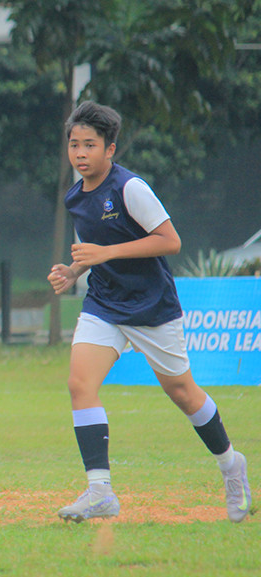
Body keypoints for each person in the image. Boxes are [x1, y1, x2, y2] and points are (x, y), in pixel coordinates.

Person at [48, 100, 251, 523]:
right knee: (80, 384)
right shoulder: (75, 196)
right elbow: (92, 249)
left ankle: (231, 465)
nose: (80, 153)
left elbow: (170, 241)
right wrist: (73, 270)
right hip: (104, 303)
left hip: (151, 305)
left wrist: (106, 253)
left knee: (183, 393)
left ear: (110, 149)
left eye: (90, 145)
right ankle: (100, 491)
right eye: (74, 145)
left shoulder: (130, 188)